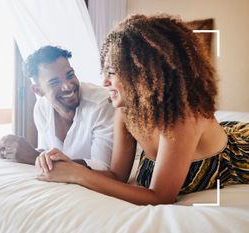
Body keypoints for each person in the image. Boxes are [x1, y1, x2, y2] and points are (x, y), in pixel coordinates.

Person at [37, 14, 249, 205]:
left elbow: (161, 196)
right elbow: (117, 177)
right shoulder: (126, 111)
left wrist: (77, 175)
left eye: (112, 72)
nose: (104, 82)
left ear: (141, 74)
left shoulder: (183, 118)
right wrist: (70, 165)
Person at [0, 45, 115, 170]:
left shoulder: (103, 103)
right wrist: (13, 151)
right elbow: (49, 151)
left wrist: (34, 157)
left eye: (70, 75)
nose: (67, 86)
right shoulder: (41, 108)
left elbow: (103, 167)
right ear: (38, 90)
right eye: (54, 82)